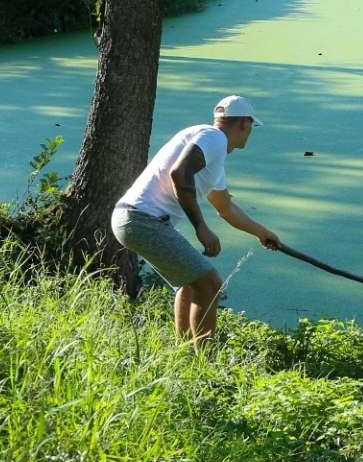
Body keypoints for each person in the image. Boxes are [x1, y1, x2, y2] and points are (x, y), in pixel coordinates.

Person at [110, 94, 283, 346]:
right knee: (210, 283)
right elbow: (180, 173)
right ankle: (206, 362)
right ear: (245, 123)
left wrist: (262, 232)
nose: (249, 133)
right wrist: (201, 227)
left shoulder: (213, 158)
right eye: (251, 128)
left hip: (133, 219)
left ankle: (185, 354)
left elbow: (225, 208)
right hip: (142, 219)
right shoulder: (213, 137)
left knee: (191, 284)